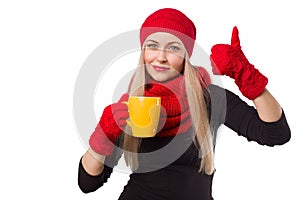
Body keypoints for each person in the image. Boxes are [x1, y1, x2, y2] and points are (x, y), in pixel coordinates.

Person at [77, 8, 291, 200]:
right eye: (152, 46)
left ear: (185, 56)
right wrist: (102, 136)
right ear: (144, 52)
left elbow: (275, 133)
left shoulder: (209, 97)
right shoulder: (133, 104)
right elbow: (88, 183)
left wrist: (246, 76)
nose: (160, 57)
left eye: (173, 48)